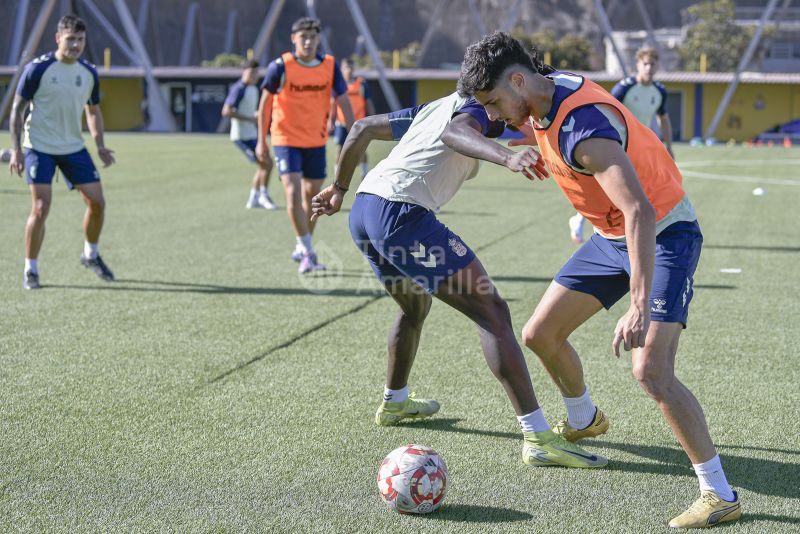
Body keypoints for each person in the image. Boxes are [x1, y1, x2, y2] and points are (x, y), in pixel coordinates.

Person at [456, 32, 740, 528]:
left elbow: (640, 212)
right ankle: (585, 417)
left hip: (663, 233)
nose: (496, 116)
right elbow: (469, 122)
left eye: (496, 103)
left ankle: (720, 494)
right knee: (539, 334)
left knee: (650, 371)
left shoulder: (582, 130)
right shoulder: (543, 89)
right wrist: (501, 145)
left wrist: (638, 305)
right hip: (609, 236)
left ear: (519, 81)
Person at [309, 92, 607, 470]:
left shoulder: (433, 106)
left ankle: (394, 400)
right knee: (492, 312)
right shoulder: (473, 110)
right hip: (401, 215)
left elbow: (362, 127)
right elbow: (459, 131)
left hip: (365, 210)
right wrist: (509, 156)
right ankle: (537, 437)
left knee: (415, 305)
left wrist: (338, 188)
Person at [8, 14, 116, 290]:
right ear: (58, 38)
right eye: (70, 39)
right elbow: (16, 112)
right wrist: (16, 150)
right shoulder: (38, 69)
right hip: (39, 146)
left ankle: (90, 255)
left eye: (80, 40)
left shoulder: (89, 72)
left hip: (72, 147)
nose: (75, 45)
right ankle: (30, 269)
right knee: (41, 208)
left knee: (98, 203)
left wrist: (100, 144)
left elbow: (93, 111)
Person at [256, 17, 355, 274]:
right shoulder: (280, 66)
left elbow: (343, 100)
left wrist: (354, 134)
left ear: (318, 39)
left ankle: (302, 246)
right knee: (292, 191)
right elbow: (265, 104)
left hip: (316, 140)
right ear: (294, 39)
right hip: (285, 139)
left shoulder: (330, 66)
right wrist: (261, 141)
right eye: (303, 37)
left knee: (312, 198)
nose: (308, 41)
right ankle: (308, 251)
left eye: (312, 37)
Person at [569, 46, 675, 244]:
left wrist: (668, 145)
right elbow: (603, 107)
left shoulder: (659, 90)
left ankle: (638, 229)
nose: (649, 68)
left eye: (653, 64)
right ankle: (585, 222)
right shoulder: (625, 87)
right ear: (638, 65)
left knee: (639, 186)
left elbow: (663, 118)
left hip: (642, 147)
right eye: (646, 63)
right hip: (618, 145)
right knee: (612, 186)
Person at [222, 59, 276, 210]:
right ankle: (263, 196)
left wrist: (255, 115)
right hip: (241, 136)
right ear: (244, 72)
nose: (254, 75)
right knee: (266, 164)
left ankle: (254, 198)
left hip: (252, 134)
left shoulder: (253, 88)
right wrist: (250, 118)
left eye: (256, 72)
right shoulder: (239, 88)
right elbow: (226, 111)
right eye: (251, 72)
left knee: (265, 165)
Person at [328, 57, 375, 178]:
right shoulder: (338, 84)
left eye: (351, 67)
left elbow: (368, 102)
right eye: (346, 67)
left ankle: (364, 173)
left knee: (361, 148)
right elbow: (333, 104)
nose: (348, 70)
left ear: (354, 68)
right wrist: (330, 121)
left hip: (358, 123)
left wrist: (373, 118)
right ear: (342, 69)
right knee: (340, 149)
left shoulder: (361, 83)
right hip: (342, 124)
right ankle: (337, 174)